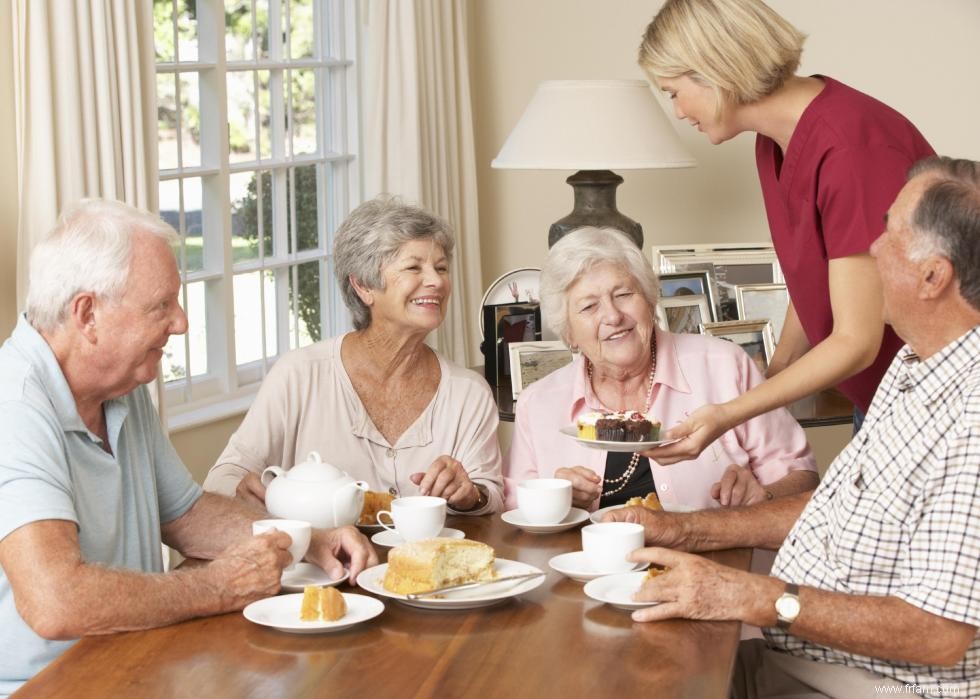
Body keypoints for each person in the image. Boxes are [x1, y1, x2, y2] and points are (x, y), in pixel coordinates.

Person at [609, 157, 980, 697]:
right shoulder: (917, 364)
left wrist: (746, 595)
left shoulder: (971, 416)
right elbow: (838, 508)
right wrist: (689, 530)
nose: (871, 248)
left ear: (933, 277)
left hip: (875, 686)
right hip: (805, 662)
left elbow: (939, 633)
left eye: (889, 235)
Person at [0, 199, 377, 695]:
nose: (180, 323)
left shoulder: (122, 388)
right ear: (87, 314)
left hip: (132, 662)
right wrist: (218, 587)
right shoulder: (15, 406)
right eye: (161, 306)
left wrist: (313, 539)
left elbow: (185, 515)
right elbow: (55, 601)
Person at [637, 0, 936, 466]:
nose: (676, 111)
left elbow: (857, 340)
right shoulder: (773, 142)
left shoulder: (849, 146)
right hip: (882, 397)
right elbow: (819, 278)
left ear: (715, 70)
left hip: (934, 404)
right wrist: (774, 373)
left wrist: (730, 414)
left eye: (673, 91)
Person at [204, 196, 504, 514]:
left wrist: (473, 494)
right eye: (414, 267)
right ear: (363, 287)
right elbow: (223, 477)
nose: (436, 281)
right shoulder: (300, 375)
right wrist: (244, 490)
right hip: (322, 562)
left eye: (441, 268)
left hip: (429, 561)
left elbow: (492, 495)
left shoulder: (468, 391)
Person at [504, 227, 817, 512]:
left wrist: (763, 496)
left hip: (714, 563)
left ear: (650, 300)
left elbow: (802, 475)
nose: (613, 316)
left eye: (624, 294)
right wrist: (556, 499)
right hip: (585, 570)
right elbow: (514, 512)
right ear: (568, 333)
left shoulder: (724, 366)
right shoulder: (539, 404)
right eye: (589, 306)